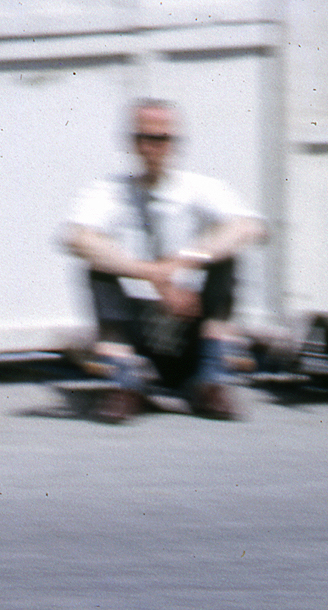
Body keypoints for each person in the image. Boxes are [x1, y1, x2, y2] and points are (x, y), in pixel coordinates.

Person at [61, 100, 266, 423]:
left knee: (225, 258)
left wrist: (182, 263)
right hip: (137, 322)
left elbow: (250, 227)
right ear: (131, 142)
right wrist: (150, 273)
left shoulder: (198, 187)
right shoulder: (110, 190)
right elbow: (77, 238)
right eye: (144, 137)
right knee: (97, 268)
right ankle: (125, 385)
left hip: (187, 315)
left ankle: (209, 381)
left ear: (175, 143)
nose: (152, 147)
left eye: (162, 138)